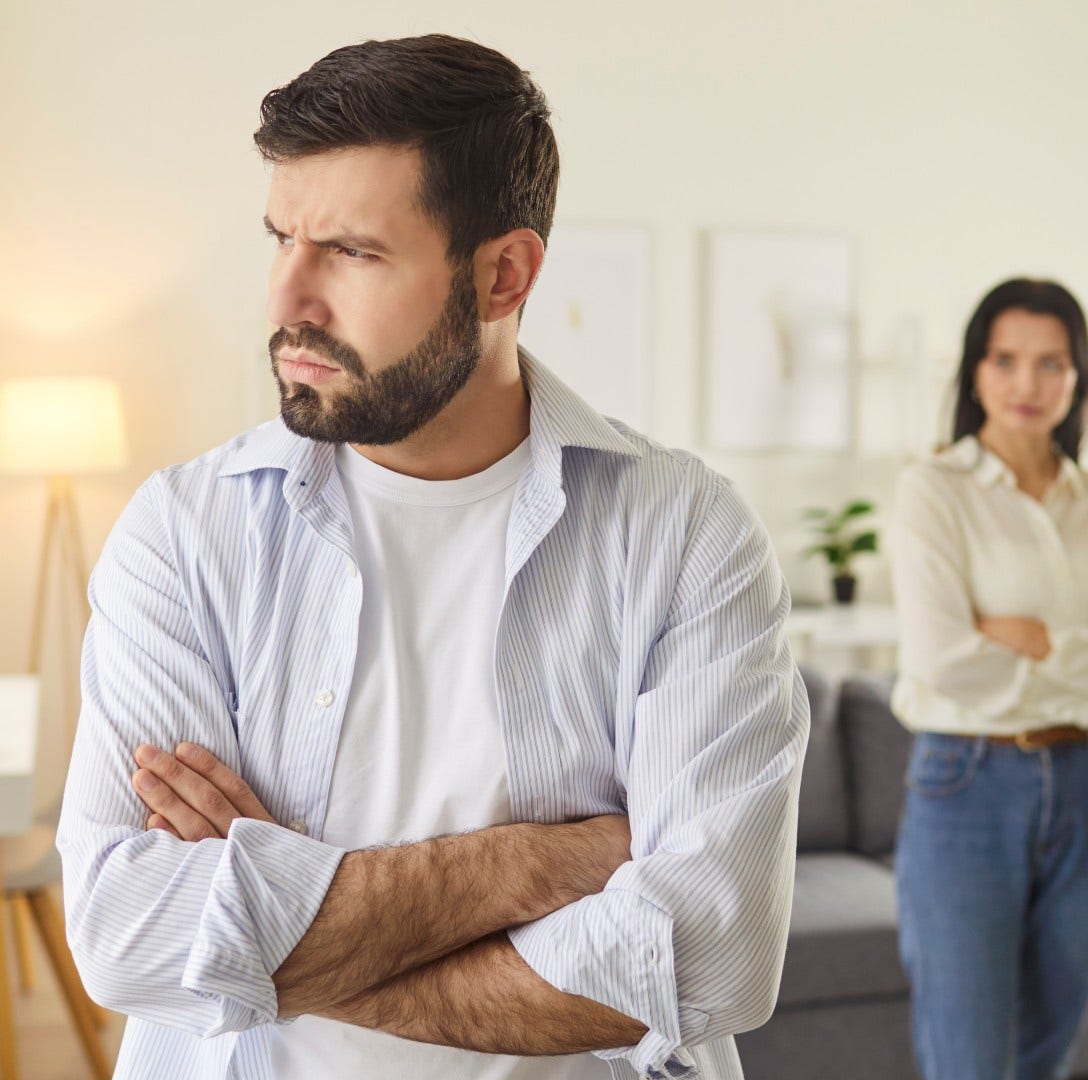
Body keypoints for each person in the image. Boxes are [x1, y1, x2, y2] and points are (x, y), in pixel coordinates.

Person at [54, 34, 807, 1080]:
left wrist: (271, 930)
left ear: (502, 274)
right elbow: (126, 934)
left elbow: (709, 963)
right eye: (281, 237)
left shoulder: (685, 534)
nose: (287, 300)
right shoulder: (186, 532)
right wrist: (535, 864)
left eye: (353, 253)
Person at [886, 278, 1088, 1080]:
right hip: (968, 784)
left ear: (1079, 379)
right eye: (1007, 359)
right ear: (975, 371)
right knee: (971, 1060)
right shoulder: (933, 491)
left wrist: (1041, 641)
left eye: (1052, 363)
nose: (1028, 384)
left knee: (1044, 1057)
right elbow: (943, 659)